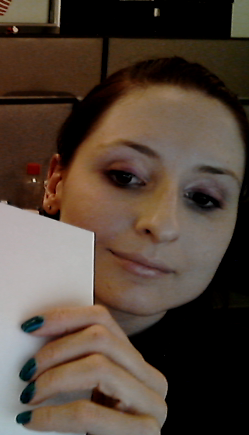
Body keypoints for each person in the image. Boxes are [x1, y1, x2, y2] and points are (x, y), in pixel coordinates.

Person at [14, 57, 249, 434]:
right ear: (56, 182)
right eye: (125, 177)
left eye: (204, 199)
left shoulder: (233, 389)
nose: (162, 225)